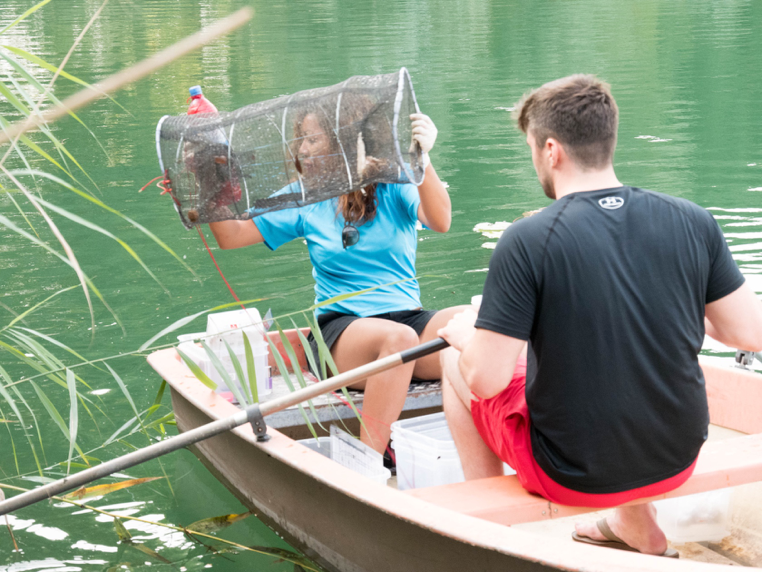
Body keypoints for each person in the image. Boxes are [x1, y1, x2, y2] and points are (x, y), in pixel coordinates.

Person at [438, 74, 762, 557]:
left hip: (570, 475)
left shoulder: (527, 241)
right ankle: (634, 522)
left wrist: (468, 337)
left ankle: (485, 535)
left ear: (551, 150)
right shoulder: (691, 219)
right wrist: (677, 299)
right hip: (678, 458)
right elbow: (749, 332)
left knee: (453, 364)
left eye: (532, 149)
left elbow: (486, 381)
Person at [209, 107, 468, 456]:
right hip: (340, 334)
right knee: (399, 340)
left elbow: (441, 220)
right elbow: (232, 235)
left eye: (312, 140)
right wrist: (208, 182)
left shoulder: (395, 183)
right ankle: (367, 461)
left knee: (478, 322)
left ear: (343, 142)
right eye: (301, 139)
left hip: (409, 319)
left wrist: (422, 160)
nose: (301, 149)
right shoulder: (304, 196)